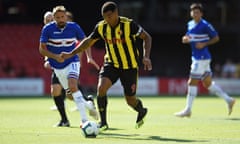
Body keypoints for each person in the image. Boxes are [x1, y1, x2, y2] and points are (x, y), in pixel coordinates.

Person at [60, 1, 152, 130]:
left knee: (130, 101)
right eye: (105, 17)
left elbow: (147, 37)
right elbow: (88, 41)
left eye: (110, 16)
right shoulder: (101, 27)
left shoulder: (129, 24)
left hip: (129, 66)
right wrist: (71, 53)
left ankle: (141, 110)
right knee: (101, 88)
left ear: (116, 13)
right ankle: (103, 123)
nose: (107, 19)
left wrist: (146, 56)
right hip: (111, 64)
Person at [39, 5, 99, 127]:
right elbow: (42, 49)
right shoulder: (47, 29)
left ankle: (84, 121)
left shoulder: (74, 27)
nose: (61, 19)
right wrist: (55, 57)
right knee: (71, 95)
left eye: (62, 17)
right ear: (54, 18)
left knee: (72, 85)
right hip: (57, 66)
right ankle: (88, 105)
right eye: (58, 17)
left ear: (66, 16)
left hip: (72, 61)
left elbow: (85, 42)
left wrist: (89, 57)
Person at [174, 3, 236, 118]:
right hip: (196, 57)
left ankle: (188, 110)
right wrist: (185, 39)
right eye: (193, 12)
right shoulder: (190, 24)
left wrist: (204, 43)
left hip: (201, 58)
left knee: (191, 82)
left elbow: (216, 37)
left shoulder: (205, 25)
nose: (195, 14)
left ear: (201, 14)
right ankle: (229, 100)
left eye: (197, 12)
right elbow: (188, 36)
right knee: (207, 84)